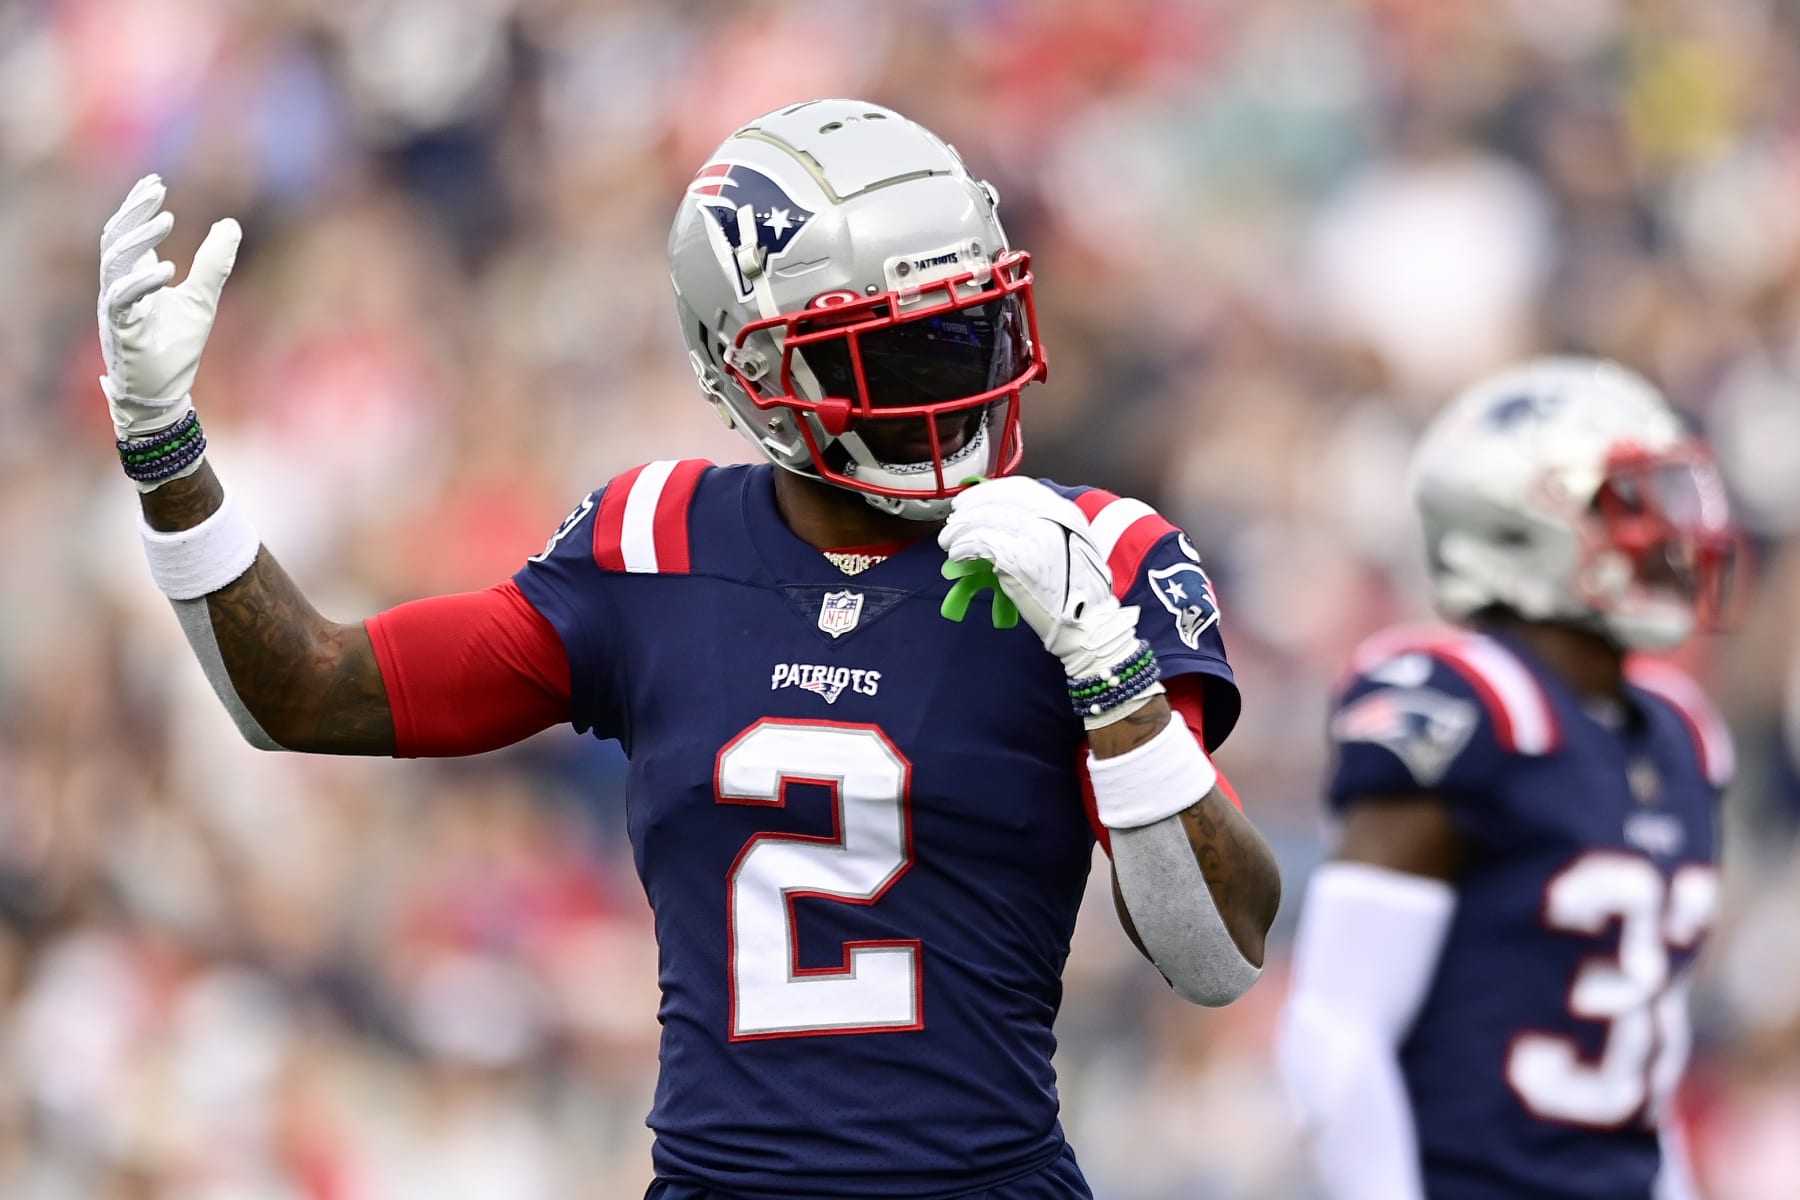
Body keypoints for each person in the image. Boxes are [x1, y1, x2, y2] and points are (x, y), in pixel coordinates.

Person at [95, 99, 1280, 1199]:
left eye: (971, 333)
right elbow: (304, 693)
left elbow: (1217, 956)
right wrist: (164, 445)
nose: (955, 391)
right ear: (755, 367)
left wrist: (1113, 677)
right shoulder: (651, 543)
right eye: (900, 354)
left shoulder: (1096, 556)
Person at [1278, 358, 1740, 1200]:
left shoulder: (1680, 736)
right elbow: (1335, 1032)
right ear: (1519, 528)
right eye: (1627, 503)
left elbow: (1641, 1069)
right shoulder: (1467, 709)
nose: (1673, 531)